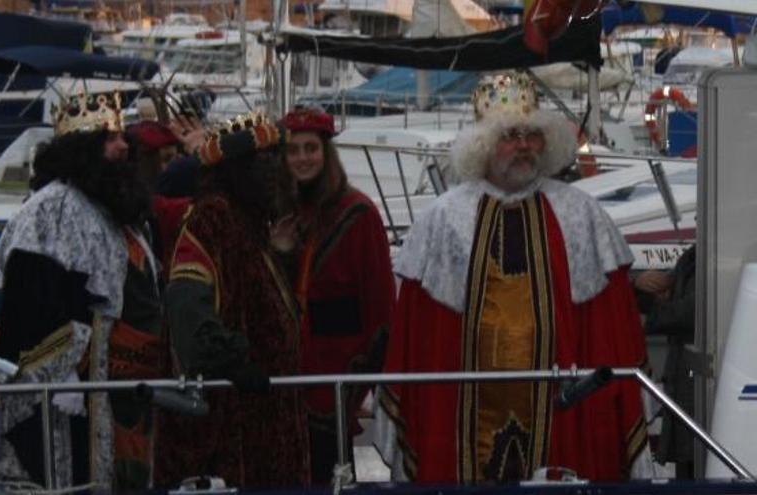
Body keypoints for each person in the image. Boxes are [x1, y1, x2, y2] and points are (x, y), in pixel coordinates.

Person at [374, 72, 650, 484]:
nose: (523, 146)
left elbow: (610, 328)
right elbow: (419, 337)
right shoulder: (443, 219)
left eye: (531, 134)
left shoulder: (581, 215)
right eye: (510, 136)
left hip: (564, 414)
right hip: (461, 415)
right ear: (483, 145)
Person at [0, 91, 163, 491]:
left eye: (122, 136)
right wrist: (62, 372)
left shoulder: (117, 210)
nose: (124, 146)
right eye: (109, 138)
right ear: (81, 149)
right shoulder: (48, 210)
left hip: (124, 396)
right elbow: (27, 314)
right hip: (67, 397)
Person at [154, 113, 311, 489]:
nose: (277, 167)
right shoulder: (210, 221)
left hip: (267, 422)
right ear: (235, 170)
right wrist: (236, 363)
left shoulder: (248, 225)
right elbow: (188, 311)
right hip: (233, 427)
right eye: (263, 160)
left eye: (277, 156)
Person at [271, 107, 395, 484]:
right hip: (283, 380)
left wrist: (362, 384)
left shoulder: (358, 214)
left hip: (337, 381)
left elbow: (381, 310)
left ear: (326, 154)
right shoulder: (277, 213)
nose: (302, 158)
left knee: (334, 479)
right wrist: (279, 252)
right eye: (293, 150)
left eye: (311, 148)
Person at [633, 245, 696, 479]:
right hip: (685, 380)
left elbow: (686, 314)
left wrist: (652, 311)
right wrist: (640, 284)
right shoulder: (692, 257)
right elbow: (665, 286)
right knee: (688, 466)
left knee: (694, 464)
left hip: (695, 382)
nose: (698, 217)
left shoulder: (707, 257)